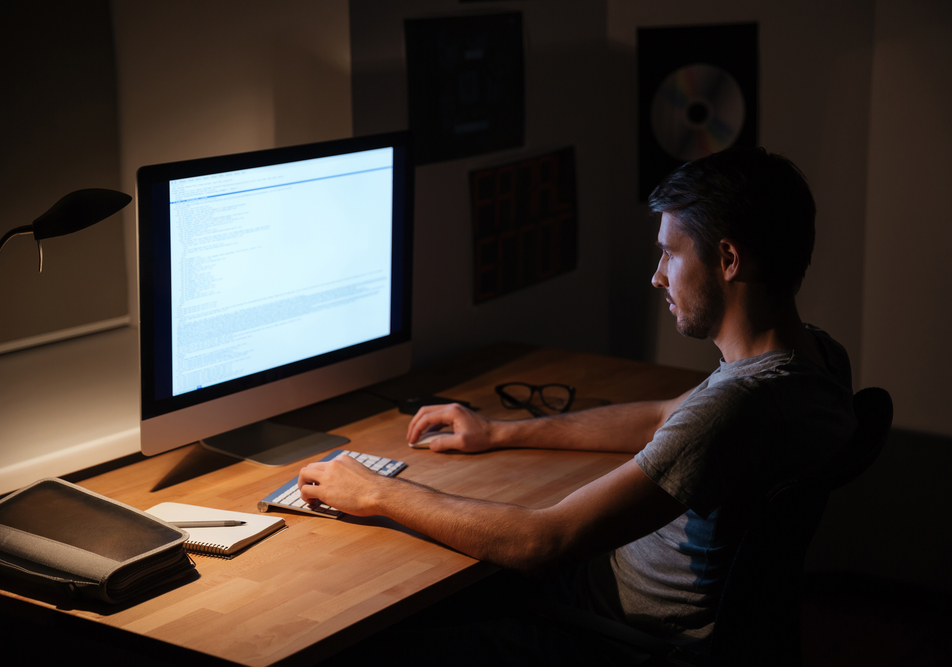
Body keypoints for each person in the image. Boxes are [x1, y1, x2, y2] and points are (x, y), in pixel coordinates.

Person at [299, 147, 856, 661]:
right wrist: (496, 433)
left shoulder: (735, 407)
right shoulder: (818, 359)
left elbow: (547, 540)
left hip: (605, 632)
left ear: (728, 258)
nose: (657, 276)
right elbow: (662, 416)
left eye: (669, 253)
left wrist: (378, 490)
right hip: (627, 607)